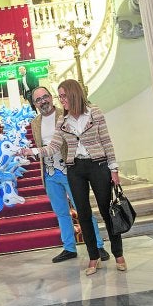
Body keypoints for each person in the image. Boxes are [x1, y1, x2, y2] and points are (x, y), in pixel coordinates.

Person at [19, 79, 126, 276]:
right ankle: (87, 255)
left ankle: (114, 252)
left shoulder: (92, 112)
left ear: (73, 94)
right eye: (39, 100)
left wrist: (114, 169)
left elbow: (107, 142)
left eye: (61, 96)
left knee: (104, 211)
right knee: (77, 213)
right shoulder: (59, 120)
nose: (58, 100)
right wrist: (30, 151)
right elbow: (52, 147)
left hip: (95, 165)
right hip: (69, 169)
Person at [29, 86, 110, 264]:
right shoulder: (35, 123)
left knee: (83, 210)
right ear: (34, 104)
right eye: (38, 99)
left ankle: (98, 245)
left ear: (52, 97)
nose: (43, 101)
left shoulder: (65, 114)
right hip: (50, 174)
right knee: (61, 212)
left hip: (70, 170)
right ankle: (69, 248)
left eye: (45, 97)